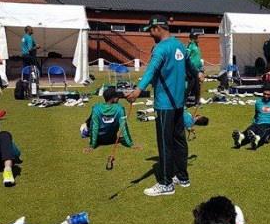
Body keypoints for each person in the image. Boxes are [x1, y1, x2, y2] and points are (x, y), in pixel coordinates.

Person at [126, 15, 203, 196]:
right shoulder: (179, 45)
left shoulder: (160, 49)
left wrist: (138, 90)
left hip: (165, 104)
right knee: (179, 139)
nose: (149, 34)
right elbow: (191, 67)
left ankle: (167, 183)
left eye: (151, 30)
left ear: (158, 28)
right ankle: (183, 178)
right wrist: (198, 75)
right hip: (178, 104)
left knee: (164, 142)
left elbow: (151, 69)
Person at [81, 87, 141, 153]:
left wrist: (91, 146)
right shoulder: (120, 109)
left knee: (88, 123)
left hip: (99, 141)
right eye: (117, 97)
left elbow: (94, 128)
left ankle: (85, 131)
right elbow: (123, 128)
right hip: (112, 140)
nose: (118, 98)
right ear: (114, 98)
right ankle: (85, 130)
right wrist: (131, 144)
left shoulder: (96, 108)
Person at [232, 83, 270, 150]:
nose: (266, 96)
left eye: (268, 94)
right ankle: (241, 137)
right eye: (264, 94)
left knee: (265, 128)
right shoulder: (258, 102)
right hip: (259, 124)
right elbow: (256, 116)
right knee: (252, 128)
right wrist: (252, 126)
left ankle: (257, 138)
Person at [186, 31, 204, 106]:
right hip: (191, 70)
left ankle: (197, 103)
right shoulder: (190, 46)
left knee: (197, 87)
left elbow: (197, 58)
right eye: (196, 37)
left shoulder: (196, 46)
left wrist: (201, 68)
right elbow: (186, 56)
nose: (198, 38)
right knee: (189, 87)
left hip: (197, 70)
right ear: (192, 38)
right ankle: (183, 104)